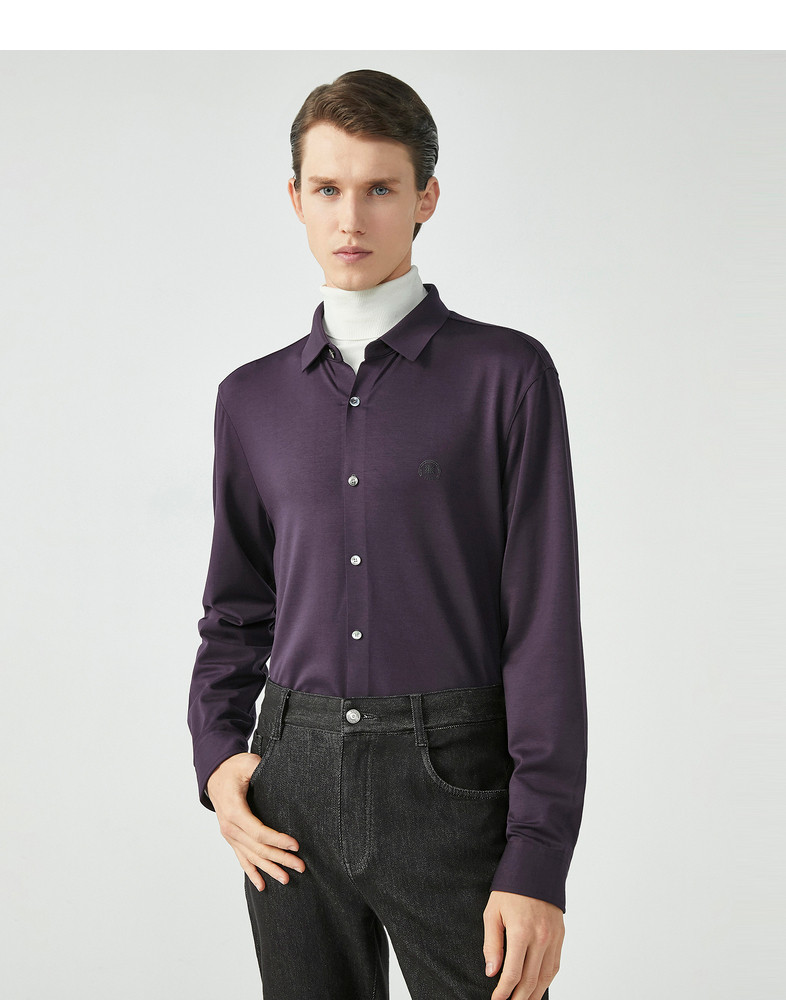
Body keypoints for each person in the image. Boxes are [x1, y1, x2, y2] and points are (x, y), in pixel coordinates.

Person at [187, 68, 588, 1001]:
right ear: (296, 198)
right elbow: (235, 611)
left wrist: (538, 857)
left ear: (425, 198)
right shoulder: (250, 399)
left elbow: (542, 627)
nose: (350, 218)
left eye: (379, 188)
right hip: (290, 785)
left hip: (452, 783)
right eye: (327, 188)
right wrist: (218, 759)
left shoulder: (507, 377)